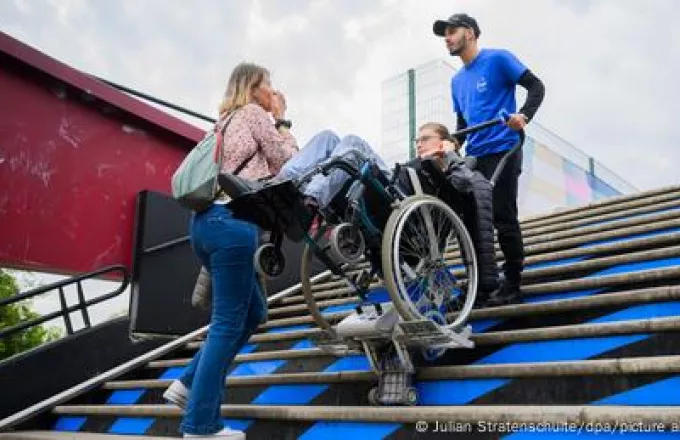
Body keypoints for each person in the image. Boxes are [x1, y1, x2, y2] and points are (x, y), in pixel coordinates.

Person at [433, 13, 545, 306]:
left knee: (501, 214)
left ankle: (513, 284)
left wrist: (524, 116)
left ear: (470, 33)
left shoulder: (498, 59)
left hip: (504, 147)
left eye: (452, 31)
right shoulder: (457, 81)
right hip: (476, 156)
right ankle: (482, 286)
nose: (447, 38)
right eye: (445, 34)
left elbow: (536, 86)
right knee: (471, 219)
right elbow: (462, 125)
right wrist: (450, 144)